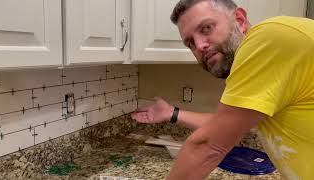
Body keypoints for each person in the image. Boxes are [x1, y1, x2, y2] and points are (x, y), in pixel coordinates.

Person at [131, 0, 314, 179]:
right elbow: (224, 125)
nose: (200, 46)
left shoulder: (269, 39)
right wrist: (171, 112)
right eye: (190, 43)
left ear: (240, 21)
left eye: (206, 28)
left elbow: (207, 146)